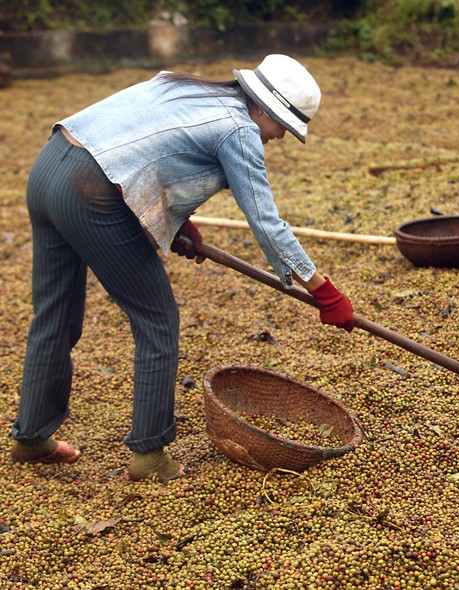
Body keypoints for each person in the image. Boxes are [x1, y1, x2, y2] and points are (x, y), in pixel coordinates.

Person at [10, 54, 355, 482]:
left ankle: (31, 439)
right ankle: (149, 457)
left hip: (50, 168)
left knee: (55, 314)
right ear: (263, 108)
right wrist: (323, 290)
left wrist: (172, 219)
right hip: (90, 192)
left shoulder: (190, 88)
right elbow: (267, 225)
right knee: (158, 321)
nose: (280, 136)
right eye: (283, 124)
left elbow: (143, 148)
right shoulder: (240, 130)